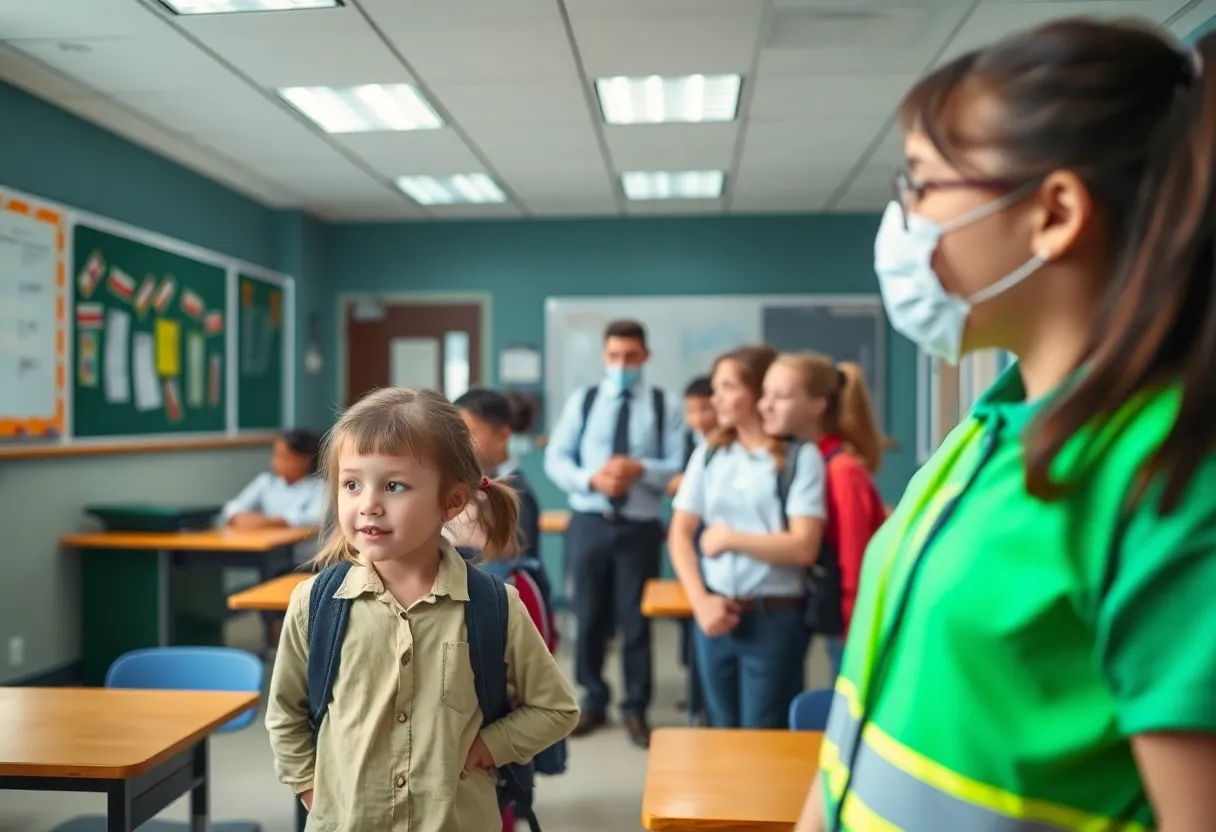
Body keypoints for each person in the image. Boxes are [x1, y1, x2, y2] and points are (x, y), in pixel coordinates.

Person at [796, 18, 1216, 832]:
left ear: (1054, 212)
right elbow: (863, 724)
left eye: (922, 185)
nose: (903, 219)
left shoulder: (1169, 482)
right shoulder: (987, 434)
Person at [265, 388, 579, 832]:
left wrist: (490, 747)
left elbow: (556, 708)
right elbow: (285, 715)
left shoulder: (494, 605)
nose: (368, 504)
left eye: (394, 486)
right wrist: (312, 790)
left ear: (451, 501)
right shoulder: (314, 604)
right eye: (352, 484)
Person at [668, 345, 827, 729]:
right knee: (719, 732)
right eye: (715, 388)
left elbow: (803, 546)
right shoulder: (710, 453)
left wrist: (729, 539)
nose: (715, 399)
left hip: (774, 619)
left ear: (757, 392)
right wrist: (701, 602)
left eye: (727, 387)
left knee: (764, 733)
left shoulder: (800, 457)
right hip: (714, 615)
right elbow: (680, 533)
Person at [543, 318, 684, 748]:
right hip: (589, 521)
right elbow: (556, 459)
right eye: (614, 356)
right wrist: (592, 479)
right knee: (588, 616)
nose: (622, 364)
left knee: (636, 621)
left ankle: (635, 708)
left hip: (639, 527)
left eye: (630, 356)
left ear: (646, 356)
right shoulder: (584, 401)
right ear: (605, 356)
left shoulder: (664, 404)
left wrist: (641, 469)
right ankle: (593, 699)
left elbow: (679, 467)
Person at [758, 353, 887, 676]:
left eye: (781, 397)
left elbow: (855, 561)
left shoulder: (842, 471)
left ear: (818, 405)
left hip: (855, 621)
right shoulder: (800, 460)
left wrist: (854, 634)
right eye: (765, 394)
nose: (765, 406)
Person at [455, 388, 542, 559]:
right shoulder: (458, 486)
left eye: (470, 433)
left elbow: (512, 561)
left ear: (503, 435)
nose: (460, 442)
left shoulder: (517, 494)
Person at [219, 428, 326, 530]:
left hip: (303, 543)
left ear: (305, 460)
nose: (276, 462)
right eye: (276, 455)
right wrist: (237, 516)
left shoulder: (320, 486)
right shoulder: (266, 482)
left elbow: (315, 518)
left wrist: (272, 521)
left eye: (284, 457)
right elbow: (232, 507)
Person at [666, 375, 717, 498]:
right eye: (690, 411)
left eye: (705, 409)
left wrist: (689, 482)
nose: (698, 419)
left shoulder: (730, 443)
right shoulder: (689, 440)